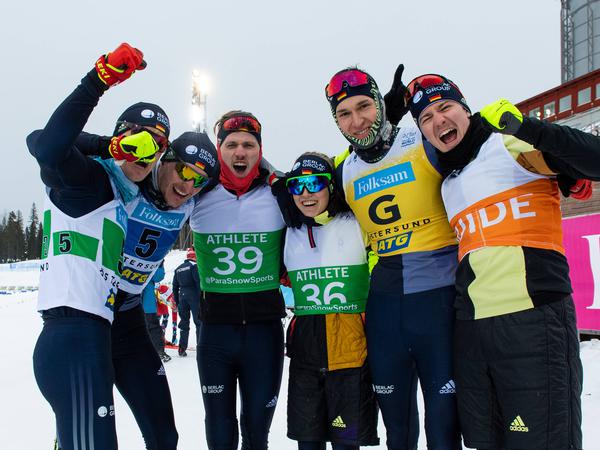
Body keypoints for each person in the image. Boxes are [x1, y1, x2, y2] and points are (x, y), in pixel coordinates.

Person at [404, 73, 600, 450]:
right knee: (485, 441)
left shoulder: (510, 145)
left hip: (533, 319)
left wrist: (531, 128)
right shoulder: (448, 182)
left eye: (445, 107)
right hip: (473, 330)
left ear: (465, 108)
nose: (439, 121)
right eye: (426, 118)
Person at [28, 43, 158, 450]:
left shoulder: (120, 196)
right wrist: (97, 80)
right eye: (137, 139)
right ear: (120, 138)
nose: (145, 151)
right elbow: (44, 144)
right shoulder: (88, 181)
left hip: (91, 339)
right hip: (71, 337)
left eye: (156, 145)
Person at [324, 68, 461, 450]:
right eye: (344, 113)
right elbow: (303, 189)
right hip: (385, 308)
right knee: (397, 433)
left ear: (382, 103)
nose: (356, 120)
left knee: (443, 429)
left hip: (439, 300)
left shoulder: (422, 137)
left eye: (365, 106)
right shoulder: (343, 168)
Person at [73, 126, 219, 448]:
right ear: (164, 158)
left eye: (199, 180)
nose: (188, 185)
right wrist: (113, 145)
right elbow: (46, 140)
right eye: (183, 170)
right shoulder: (127, 177)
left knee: (165, 435)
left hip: (128, 319)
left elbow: (244, 172)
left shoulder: (191, 201)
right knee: (87, 437)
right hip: (88, 319)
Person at [190, 110, 286, 450]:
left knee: (257, 434)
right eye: (231, 145)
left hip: (265, 334)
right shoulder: (198, 194)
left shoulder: (279, 194)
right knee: (219, 434)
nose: (240, 152)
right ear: (219, 150)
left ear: (260, 151)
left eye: (248, 144)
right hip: (216, 334)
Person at [280, 152, 379, 450]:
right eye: (297, 186)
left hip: (350, 356)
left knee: (346, 444)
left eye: (314, 183)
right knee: (308, 444)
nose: (306, 193)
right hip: (306, 359)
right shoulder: (290, 230)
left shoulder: (357, 221)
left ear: (331, 186)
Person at [172, 247, 202, 356]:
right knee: (199, 322)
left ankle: (181, 348)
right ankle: (200, 348)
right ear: (194, 257)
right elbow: (198, 283)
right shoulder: (194, 267)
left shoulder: (178, 268)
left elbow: (175, 286)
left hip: (182, 297)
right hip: (194, 297)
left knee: (184, 323)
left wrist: (177, 301)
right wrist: (202, 297)